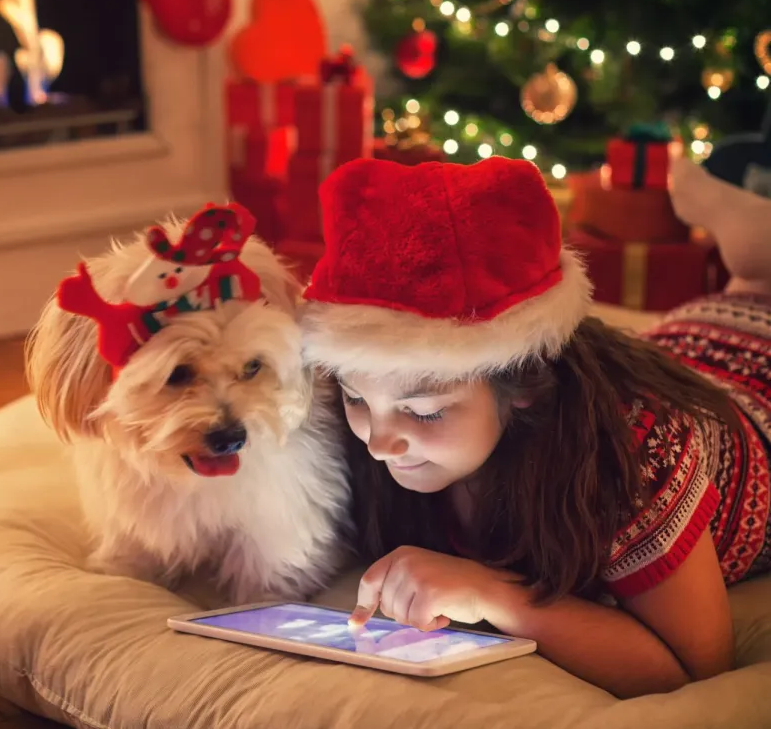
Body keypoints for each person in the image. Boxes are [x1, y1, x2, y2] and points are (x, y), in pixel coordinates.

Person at [298, 156, 771, 699]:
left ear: (522, 382)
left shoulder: (638, 453)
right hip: (683, 342)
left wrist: (494, 594)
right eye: (358, 399)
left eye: (425, 410)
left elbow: (694, 667)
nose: (380, 442)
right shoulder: (369, 421)